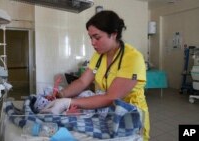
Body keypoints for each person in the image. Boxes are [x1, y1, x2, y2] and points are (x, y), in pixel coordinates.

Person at [41, 10, 150, 141]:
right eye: (90, 37)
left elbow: (111, 97)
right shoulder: (99, 56)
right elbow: (82, 82)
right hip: (108, 112)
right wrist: (60, 95)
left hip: (129, 115)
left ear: (114, 34)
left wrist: (68, 103)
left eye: (97, 37)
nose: (92, 42)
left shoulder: (132, 58)